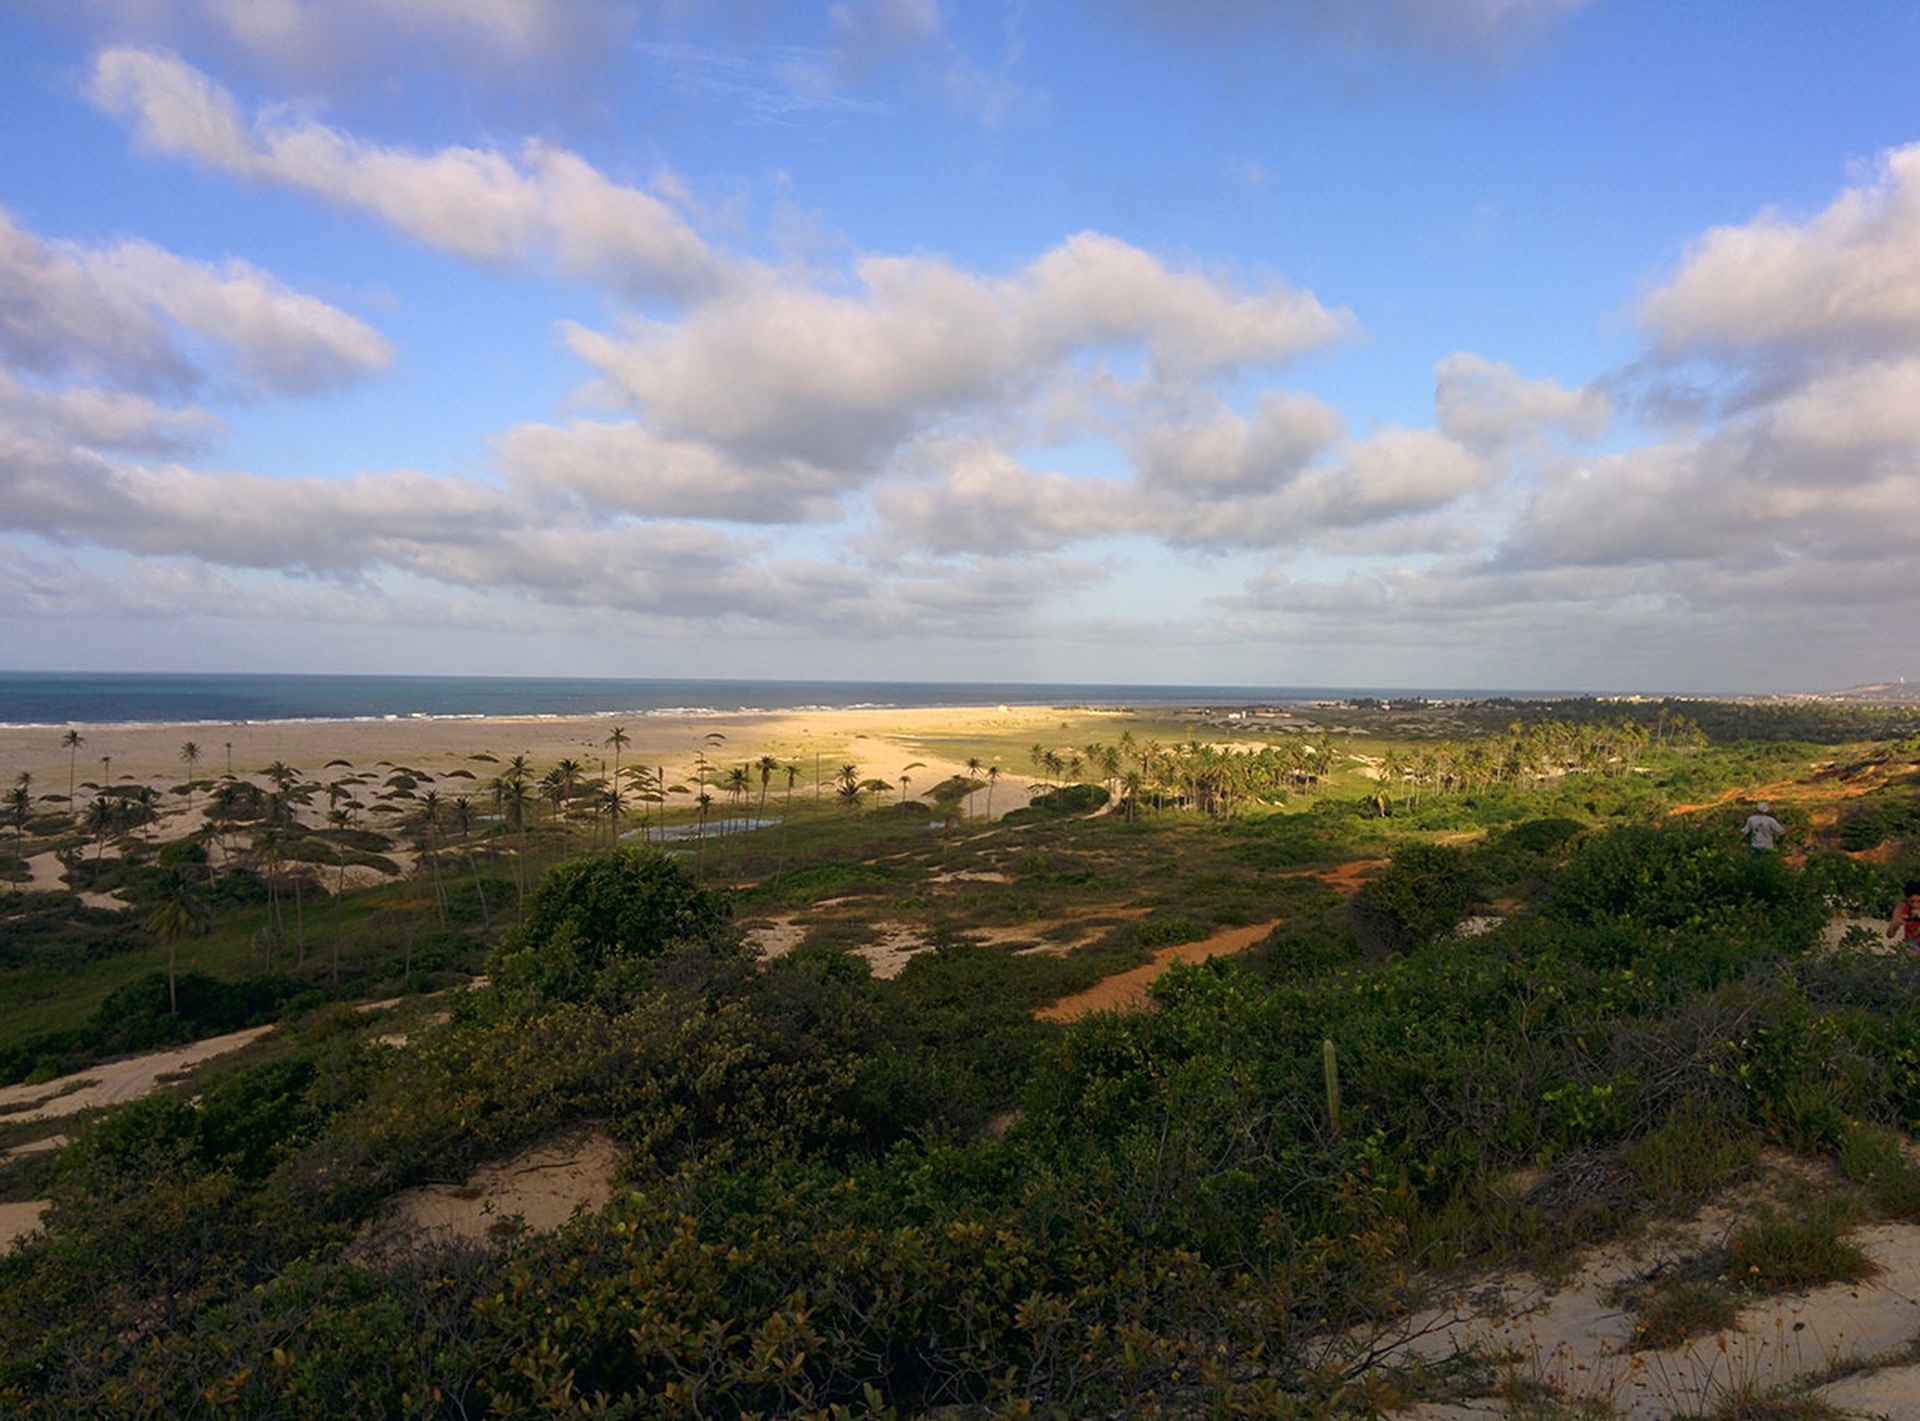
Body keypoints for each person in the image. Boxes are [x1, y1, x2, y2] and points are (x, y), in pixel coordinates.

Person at [1889, 880, 1920, 956]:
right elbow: (1889, 934)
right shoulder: (1902, 908)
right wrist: (1896, 924)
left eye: (1919, 901)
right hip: (1911, 943)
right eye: (1912, 902)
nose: (1915, 905)